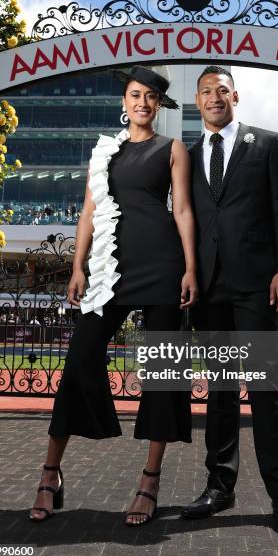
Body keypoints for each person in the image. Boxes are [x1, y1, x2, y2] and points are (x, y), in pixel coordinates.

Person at [29, 66, 198, 526]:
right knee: (81, 356)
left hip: (162, 265)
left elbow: (181, 209)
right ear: (124, 102)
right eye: (135, 95)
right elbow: (88, 212)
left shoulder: (172, 148)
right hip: (110, 270)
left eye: (150, 97)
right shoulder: (103, 151)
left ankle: (149, 480)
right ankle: (50, 473)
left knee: (164, 370)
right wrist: (77, 266)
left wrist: (190, 268)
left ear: (159, 106)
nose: (142, 103)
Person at [181, 65, 278, 537]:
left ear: (237, 95)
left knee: (266, 389)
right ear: (197, 103)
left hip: (258, 284)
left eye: (222, 90)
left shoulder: (268, 142)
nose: (215, 98)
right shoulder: (188, 156)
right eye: (206, 92)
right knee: (219, 391)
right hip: (210, 290)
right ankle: (220, 486)